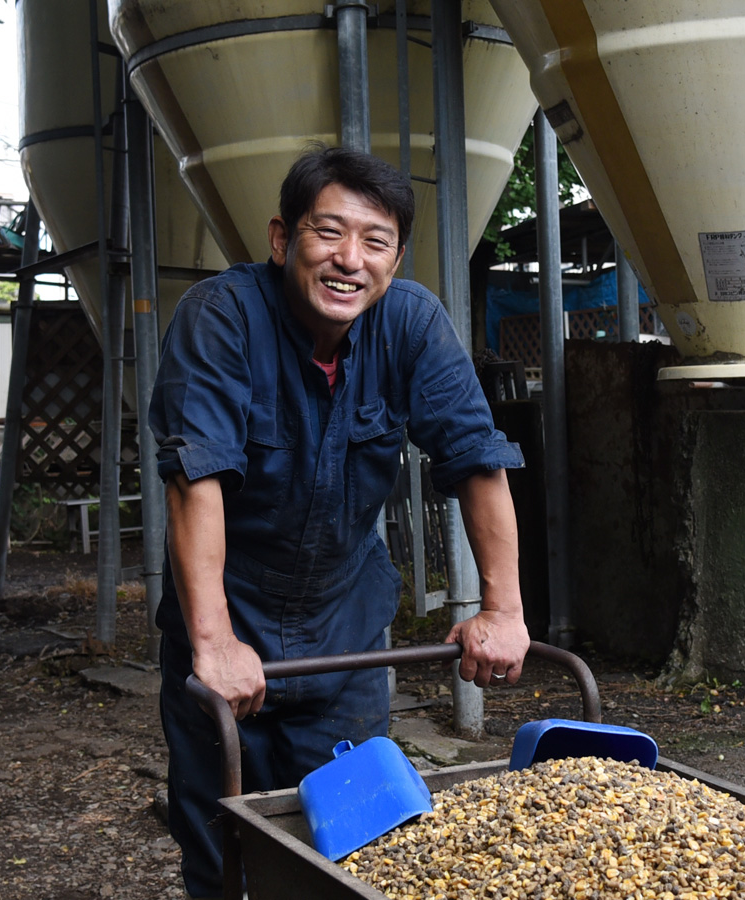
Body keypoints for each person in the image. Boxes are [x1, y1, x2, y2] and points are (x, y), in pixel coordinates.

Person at [150, 145, 530, 898]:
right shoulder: (222, 318)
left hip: (344, 639)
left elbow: (477, 461)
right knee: (225, 853)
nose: (349, 259)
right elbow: (197, 480)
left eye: (375, 241)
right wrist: (215, 643)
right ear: (282, 238)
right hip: (229, 627)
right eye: (329, 232)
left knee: (358, 849)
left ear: (394, 257)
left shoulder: (412, 323)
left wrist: (504, 609)